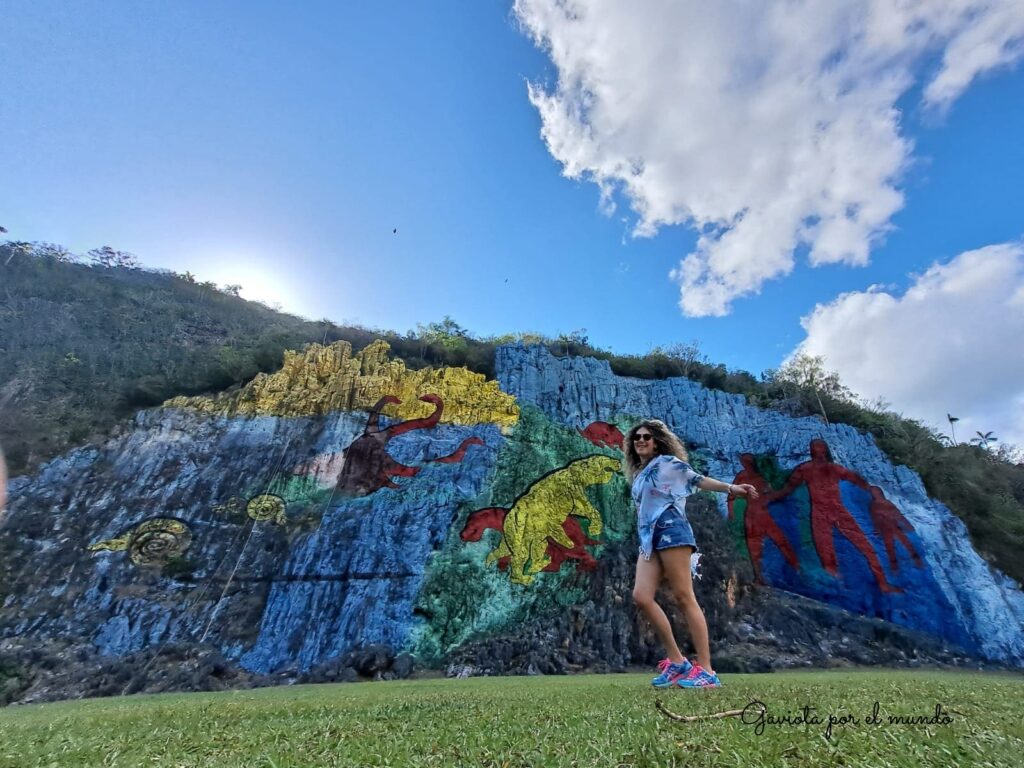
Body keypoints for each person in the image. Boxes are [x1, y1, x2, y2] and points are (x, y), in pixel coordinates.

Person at [623, 419, 758, 689]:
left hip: (672, 530)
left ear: (657, 441)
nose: (640, 440)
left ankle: (707, 671)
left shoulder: (668, 464)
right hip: (649, 538)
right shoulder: (639, 473)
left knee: (685, 597)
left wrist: (731, 489)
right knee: (641, 596)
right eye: (636, 437)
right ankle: (677, 662)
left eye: (646, 437)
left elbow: (697, 480)